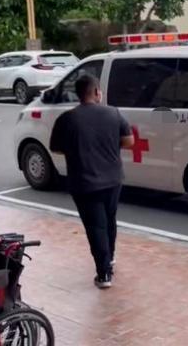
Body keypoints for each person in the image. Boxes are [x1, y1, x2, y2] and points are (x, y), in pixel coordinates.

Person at [49, 75, 134, 289]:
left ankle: (104, 274)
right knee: (109, 219)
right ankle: (110, 257)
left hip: (84, 182)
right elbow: (129, 141)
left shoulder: (67, 119)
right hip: (113, 179)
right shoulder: (112, 113)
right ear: (96, 92)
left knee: (95, 226)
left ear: (78, 93)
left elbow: (55, 147)